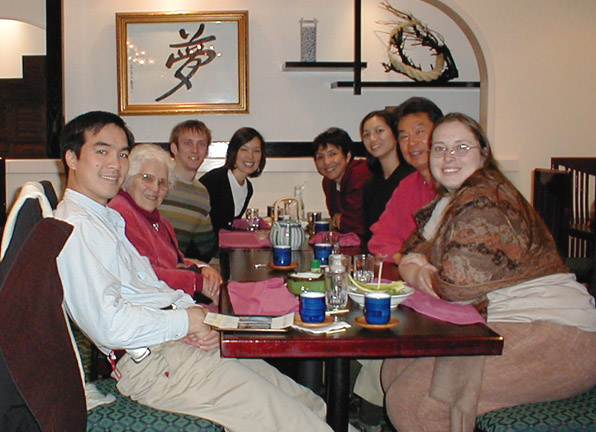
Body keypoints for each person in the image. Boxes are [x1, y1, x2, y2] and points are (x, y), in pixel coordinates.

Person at [54, 111, 333, 432]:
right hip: (154, 364)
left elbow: (150, 284)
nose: (115, 164)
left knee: (309, 403)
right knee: (300, 424)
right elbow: (110, 327)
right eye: (102, 151)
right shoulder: (77, 227)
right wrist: (187, 321)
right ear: (72, 158)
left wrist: (192, 317)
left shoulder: (105, 217)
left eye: (122, 154)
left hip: (171, 341)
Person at [382, 113, 596, 432]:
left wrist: (415, 271)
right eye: (439, 148)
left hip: (555, 333)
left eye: (461, 147)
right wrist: (414, 265)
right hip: (500, 323)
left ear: (483, 154)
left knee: (414, 400)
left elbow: (455, 286)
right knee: (395, 369)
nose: (449, 157)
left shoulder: (485, 196)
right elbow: (410, 250)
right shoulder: (449, 201)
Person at [108, 143, 222, 306]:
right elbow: (142, 275)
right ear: (129, 179)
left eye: (162, 182)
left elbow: (176, 262)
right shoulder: (120, 214)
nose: (155, 188)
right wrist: (197, 282)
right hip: (143, 307)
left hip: (167, 301)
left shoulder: (161, 222)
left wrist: (203, 269)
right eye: (147, 178)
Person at [368, 97, 443, 262]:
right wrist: (404, 261)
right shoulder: (407, 185)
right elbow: (380, 239)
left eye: (419, 132)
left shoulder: (454, 185)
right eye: (404, 137)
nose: (412, 143)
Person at [159, 120, 217, 262]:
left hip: (175, 266)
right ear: (174, 148)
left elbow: (207, 245)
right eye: (188, 143)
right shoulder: (158, 182)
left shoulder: (201, 193)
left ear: (206, 151)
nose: (195, 150)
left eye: (201, 144)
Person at [200, 127, 266, 235]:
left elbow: (229, 224)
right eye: (244, 149)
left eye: (256, 151)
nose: (250, 156)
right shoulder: (214, 180)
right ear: (234, 152)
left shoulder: (248, 188)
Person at [360, 109, 414, 239]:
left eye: (379, 131)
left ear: (395, 134)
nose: (372, 138)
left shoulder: (411, 178)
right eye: (366, 134)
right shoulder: (369, 185)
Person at [312, 127, 371, 239]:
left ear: (348, 156)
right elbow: (336, 220)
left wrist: (341, 220)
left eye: (332, 154)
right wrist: (340, 220)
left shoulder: (360, 173)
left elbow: (357, 224)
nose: (326, 162)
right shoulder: (328, 181)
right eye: (320, 157)